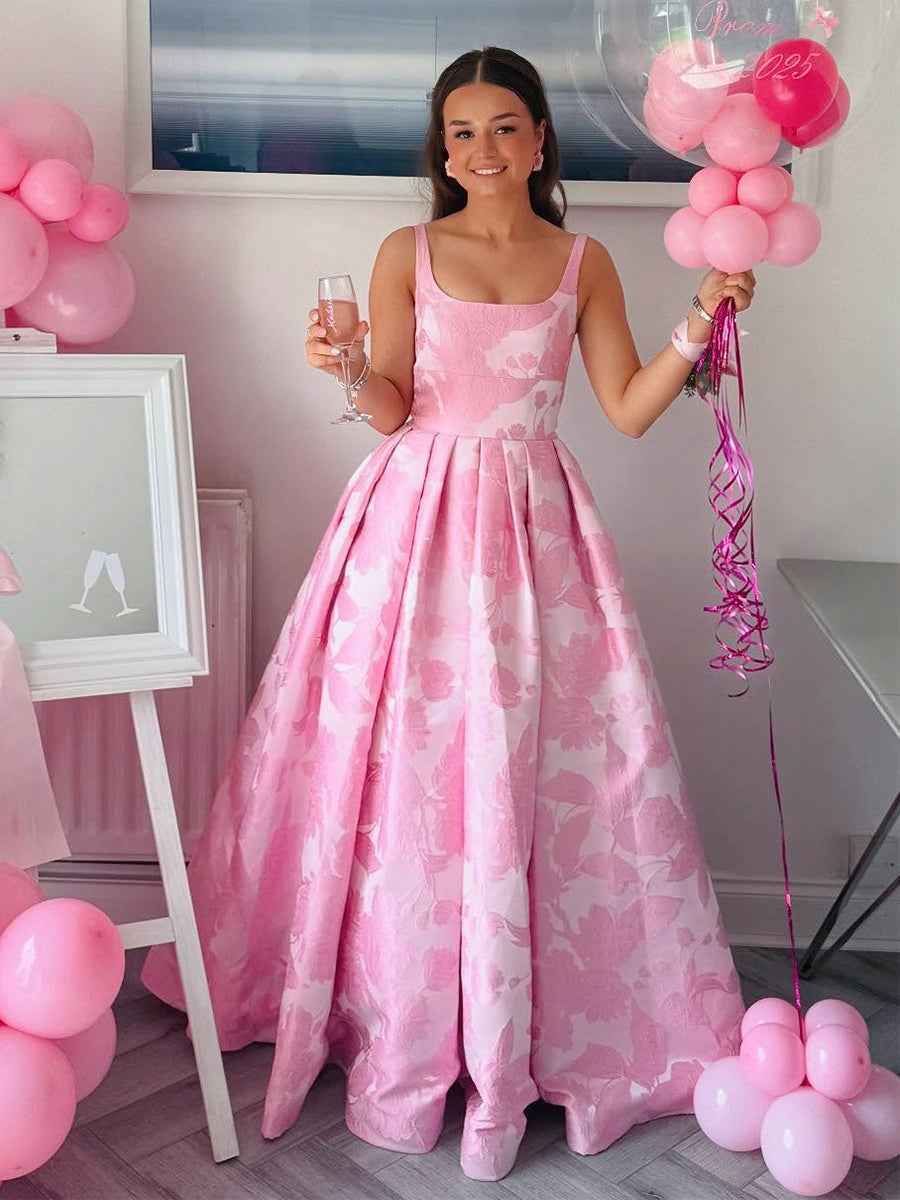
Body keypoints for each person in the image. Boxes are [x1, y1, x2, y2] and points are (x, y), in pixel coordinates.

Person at [142, 45, 755, 1183]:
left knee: (543, 767)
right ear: (442, 148)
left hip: (533, 531)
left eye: (504, 126)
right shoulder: (406, 251)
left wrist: (698, 323)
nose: (483, 149)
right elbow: (391, 410)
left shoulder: (583, 262)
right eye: (462, 131)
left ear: (540, 139)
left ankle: (525, 1023)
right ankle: (387, 1007)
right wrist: (343, 369)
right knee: (397, 767)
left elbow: (625, 409)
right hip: (411, 523)